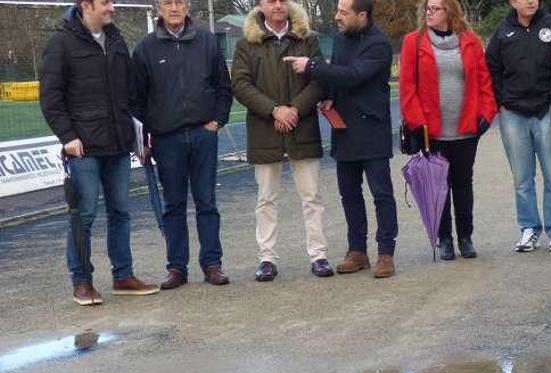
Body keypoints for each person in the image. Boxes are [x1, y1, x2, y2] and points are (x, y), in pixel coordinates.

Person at [39, 0, 159, 305]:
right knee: (84, 215)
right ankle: (81, 281)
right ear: (86, 5)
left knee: (121, 213)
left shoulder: (116, 41)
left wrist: (136, 135)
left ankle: (123, 276)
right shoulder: (61, 43)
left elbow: (129, 93)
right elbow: (51, 98)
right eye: (105, 2)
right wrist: (68, 137)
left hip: (118, 145)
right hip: (84, 150)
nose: (112, 8)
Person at [287, 0, 397, 278]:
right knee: (349, 194)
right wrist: (327, 97)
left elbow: (355, 75)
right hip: (344, 130)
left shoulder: (379, 44)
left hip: (372, 130)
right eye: (337, 11)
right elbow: (336, 77)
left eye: (343, 13)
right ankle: (357, 250)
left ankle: (386, 253)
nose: (337, 17)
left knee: (381, 194)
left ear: (362, 15)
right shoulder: (339, 40)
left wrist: (312, 65)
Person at [131, 0, 233, 288]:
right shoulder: (145, 48)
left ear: (187, 7)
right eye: (167, 3)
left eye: (179, 2)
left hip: (203, 135)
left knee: (207, 202)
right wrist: (143, 142)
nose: (174, 8)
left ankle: (212, 264)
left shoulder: (208, 42)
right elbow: (136, 99)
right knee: (173, 205)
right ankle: (177, 268)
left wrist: (217, 122)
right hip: (166, 140)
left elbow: (223, 87)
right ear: (159, 8)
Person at [231, 0, 334, 281]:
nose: (277, 5)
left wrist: (295, 110)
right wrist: (274, 110)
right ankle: (266, 258)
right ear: (260, 6)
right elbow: (241, 84)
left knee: (312, 196)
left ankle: (319, 255)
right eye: (270, 0)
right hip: (265, 130)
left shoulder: (308, 39)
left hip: (303, 128)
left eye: (281, 0)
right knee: (266, 199)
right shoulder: (246, 44)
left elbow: (319, 80)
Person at [399, 0, 497, 261]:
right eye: (427, 8)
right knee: (437, 185)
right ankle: (444, 238)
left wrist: (487, 114)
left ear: (450, 12)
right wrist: (416, 123)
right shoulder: (413, 42)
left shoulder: (471, 41)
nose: (429, 12)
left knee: (463, 184)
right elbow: (407, 88)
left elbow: (484, 81)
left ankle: (466, 236)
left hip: (466, 128)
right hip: (432, 130)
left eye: (436, 8)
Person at [486, 0, 551, 253]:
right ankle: (529, 229)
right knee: (522, 178)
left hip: (547, 111)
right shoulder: (502, 32)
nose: (530, 1)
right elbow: (492, 70)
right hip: (513, 114)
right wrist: (502, 102)